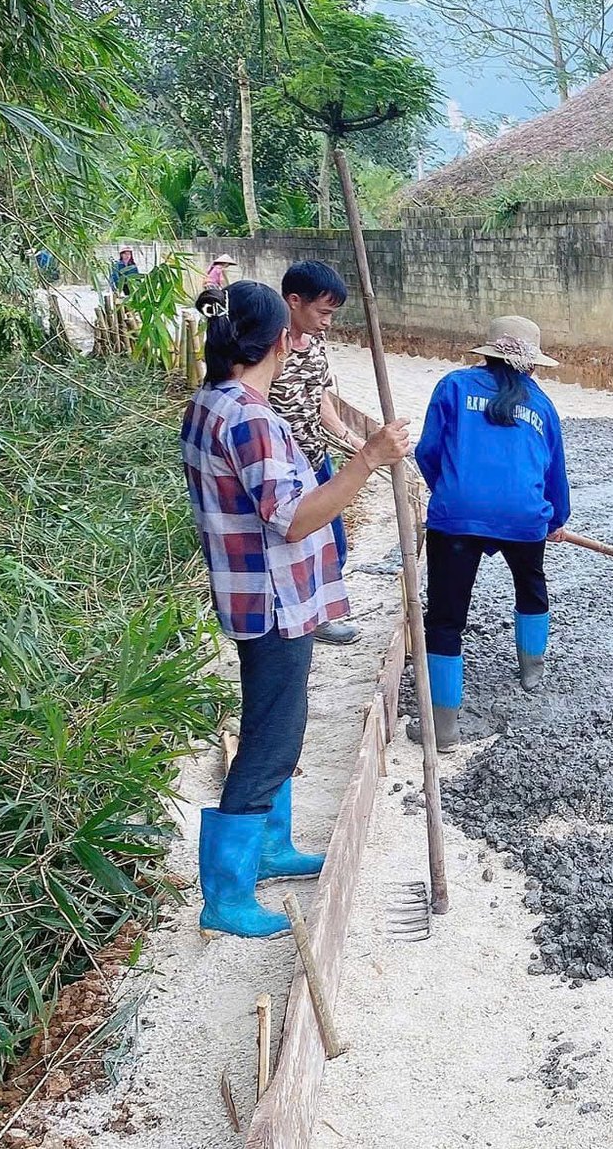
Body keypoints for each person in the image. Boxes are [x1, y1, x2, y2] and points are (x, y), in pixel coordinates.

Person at [181, 282, 410, 937]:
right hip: (273, 599)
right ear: (281, 340)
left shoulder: (209, 402)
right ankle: (225, 897)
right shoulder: (249, 418)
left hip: (252, 593)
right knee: (271, 739)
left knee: (275, 725)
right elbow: (296, 518)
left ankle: (271, 849)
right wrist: (368, 458)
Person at [413, 315, 571, 751]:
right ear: (532, 366)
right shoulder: (541, 405)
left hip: (457, 515)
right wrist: (555, 519)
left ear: (487, 353)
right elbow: (553, 469)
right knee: (531, 585)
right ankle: (532, 673)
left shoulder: (454, 386)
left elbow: (428, 451)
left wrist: (451, 492)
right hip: (523, 517)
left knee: (445, 617)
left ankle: (443, 729)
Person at [267, 260, 364, 645]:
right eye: (322, 312)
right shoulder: (268, 345)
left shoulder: (316, 341)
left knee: (333, 540)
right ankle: (302, 618)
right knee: (297, 542)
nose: (327, 321)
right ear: (294, 301)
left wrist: (346, 436)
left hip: (316, 454)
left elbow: (320, 394)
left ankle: (320, 612)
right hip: (283, 466)